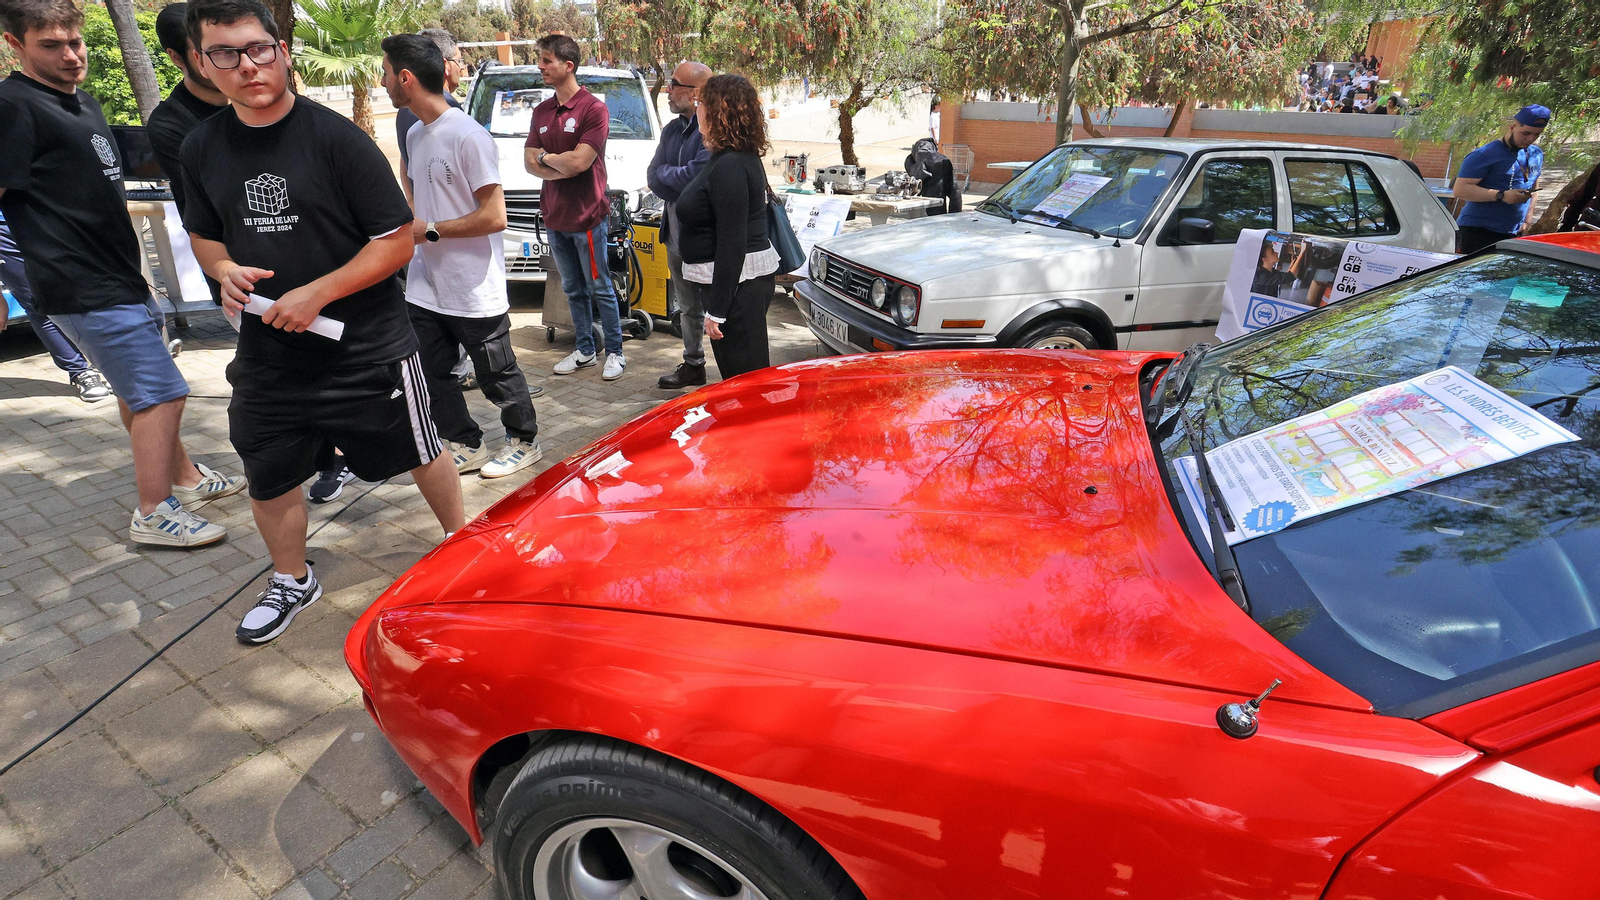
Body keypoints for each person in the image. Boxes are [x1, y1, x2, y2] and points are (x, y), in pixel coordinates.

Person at [179, 0, 465, 644]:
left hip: (367, 347)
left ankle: (464, 545)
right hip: (269, 353)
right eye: (225, 53)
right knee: (266, 467)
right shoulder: (201, 147)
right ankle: (292, 577)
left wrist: (317, 294)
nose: (246, 65)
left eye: (257, 48)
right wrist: (222, 269)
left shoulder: (335, 138)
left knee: (421, 449)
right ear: (202, 62)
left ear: (281, 49)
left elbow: (396, 239)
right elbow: (204, 235)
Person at [0, 0, 242, 548]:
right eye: (51, 45)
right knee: (163, 394)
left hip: (118, 276)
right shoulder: (12, 106)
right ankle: (154, 512)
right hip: (78, 283)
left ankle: (184, 477)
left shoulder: (79, 100)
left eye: (75, 42)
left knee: (141, 390)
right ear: (15, 45)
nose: (71, 55)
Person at [381, 33, 543, 480]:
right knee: (431, 372)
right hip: (426, 284)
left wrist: (427, 231)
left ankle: (524, 440)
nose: (383, 81)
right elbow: (419, 196)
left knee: (497, 373)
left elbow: (495, 217)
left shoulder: (469, 136)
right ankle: (465, 441)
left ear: (407, 79)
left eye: (387, 73)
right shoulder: (415, 134)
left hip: (473, 284)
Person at [522, 33, 626, 382]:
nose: (540, 66)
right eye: (540, 59)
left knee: (600, 287)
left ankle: (614, 352)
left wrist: (547, 157)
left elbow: (581, 162)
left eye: (547, 60)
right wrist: (555, 163)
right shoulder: (541, 111)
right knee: (572, 289)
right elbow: (528, 164)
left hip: (588, 217)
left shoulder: (593, 109)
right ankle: (585, 349)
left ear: (568, 66)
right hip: (555, 217)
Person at [675, 73, 779, 381]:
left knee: (746, 383)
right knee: (742, 380)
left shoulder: (732, 164)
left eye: (701, 103)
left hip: (737, 292)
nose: (699, 110)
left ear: (719, 109)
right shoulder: (730, 158)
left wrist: (717, 310)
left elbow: (732, 241)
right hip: (737, 287)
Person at [645, 59, 712, 390]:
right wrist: (674, 177)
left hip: (708, 237)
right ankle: (693, 363)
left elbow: (698, 177)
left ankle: (736, 370)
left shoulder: (713, 129)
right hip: (675, 234)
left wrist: (670, 176)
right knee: (687, 306)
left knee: (719, 306)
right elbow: (653, 176)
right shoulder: (671, 130)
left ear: (697, 93)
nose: (668, 91)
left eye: (675, 84)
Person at [0, 209, 113, 401]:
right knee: (37, 304)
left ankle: (115, 365)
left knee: (90, 290)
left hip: (45, 211)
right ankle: (80, 372)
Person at [148, 2, 228, 218]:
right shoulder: (168, 124)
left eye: (222, 49)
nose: (219, 61)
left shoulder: (250, 98)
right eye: (202, 54)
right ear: (176, 57)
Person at [1452, 105, 1549, 254]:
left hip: (1513, 232)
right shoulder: (1485, 154)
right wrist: (1501, 196)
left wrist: (1527, 221)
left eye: (1537, 134)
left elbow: (1534, 189)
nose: (1530, 139)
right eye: (1526, 133)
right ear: (1512, 127)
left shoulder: (1536, 153)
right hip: (1477, 231)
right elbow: (1460, 190)